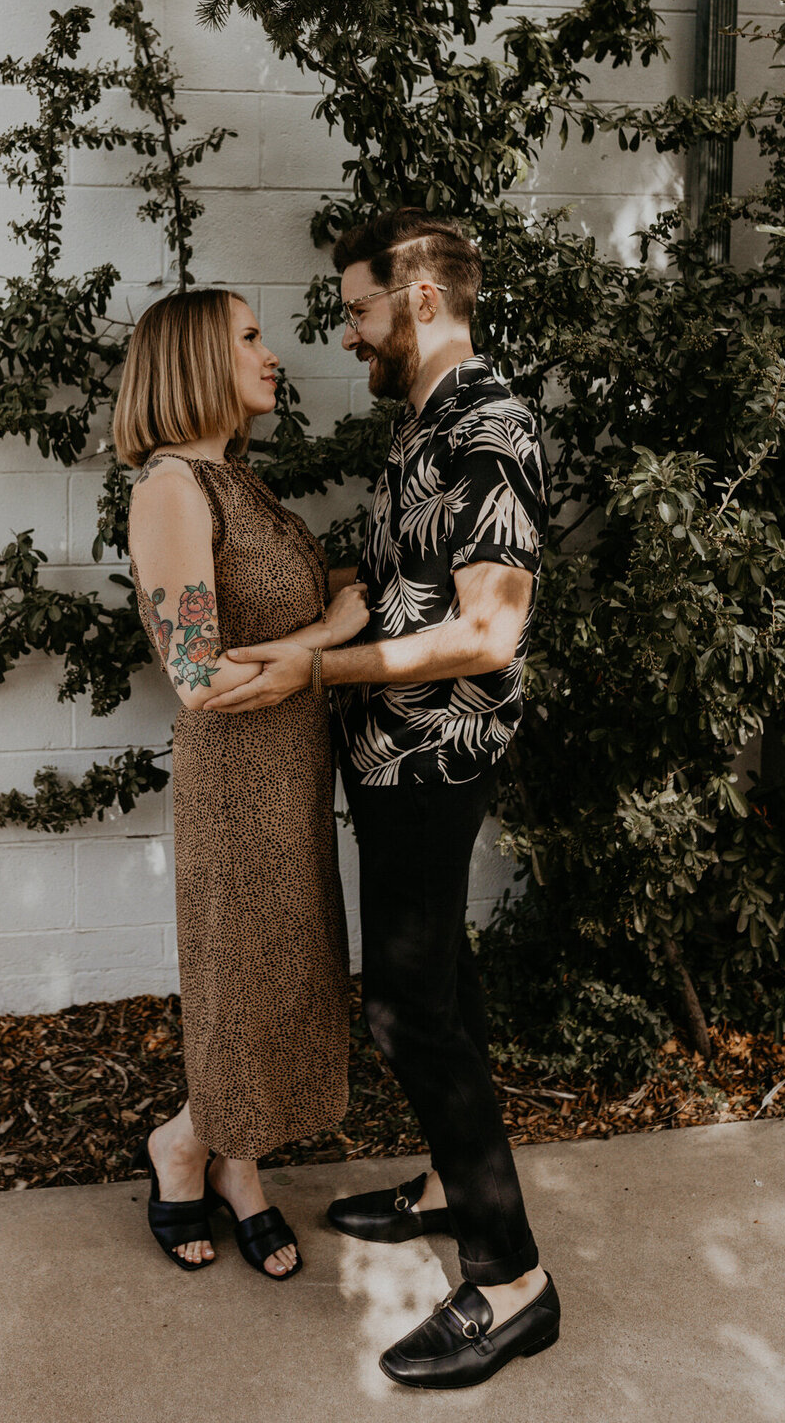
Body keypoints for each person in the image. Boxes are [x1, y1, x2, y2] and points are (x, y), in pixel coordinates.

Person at [204, 209, 559, 1387]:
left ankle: (512, 1281)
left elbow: (487, 629)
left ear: (414, 300)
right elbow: (406, 586)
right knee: (441, 985)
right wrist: (295, 617)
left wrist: (317, 669)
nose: (346, 333)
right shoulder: (421, 423)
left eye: (356, 308)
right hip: (389, 755)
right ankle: (459, 1188)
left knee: (408, 1011)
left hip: (433, 757)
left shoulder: (490, 424)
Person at [113, 286, 370, 1280]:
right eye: (251, 338)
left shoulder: (240, 483)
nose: (273, 354)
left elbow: (260, 615)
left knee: (283, 984)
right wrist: (332, 635)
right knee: (239, 991)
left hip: (292, 773)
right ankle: (188, 1151)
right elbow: (199, 678)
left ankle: (236, 1165)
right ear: (191, 364)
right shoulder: (170, 487)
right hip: (235, 784)